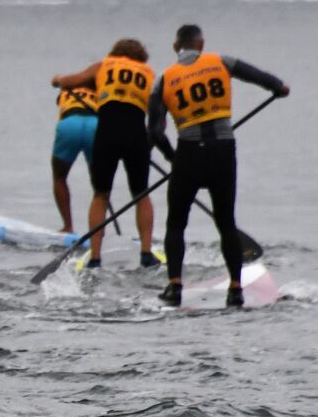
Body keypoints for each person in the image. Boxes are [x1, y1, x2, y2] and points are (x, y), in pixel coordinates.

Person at [148, 24, 289, 308]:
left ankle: (174, 286)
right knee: (226, 222)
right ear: (200, 43)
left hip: (188, 153)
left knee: (176, 223)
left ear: (177, 47)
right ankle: (235, 289)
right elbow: (261, 78)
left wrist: (172, 159)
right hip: (223, 152)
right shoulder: (221, 61)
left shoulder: (164, 79)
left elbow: (154, 132)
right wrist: (278, 87)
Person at [52, 39, 161, 269]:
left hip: (107, 134)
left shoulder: (104, 65)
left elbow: (71, 81)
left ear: (115, 53)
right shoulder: (147, 72)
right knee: (141, 194)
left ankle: (95, 257)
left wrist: (58, 80)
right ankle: (146, 253)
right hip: (135, 135)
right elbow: (156, 112)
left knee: (101, 194)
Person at [48, 85, 99, 233]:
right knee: (100, 185)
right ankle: (98, 230)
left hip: (69, 124)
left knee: (59, 176)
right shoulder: (101, 89)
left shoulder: (67, 90)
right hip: (95, 126)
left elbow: (59, 101)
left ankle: (68, 226)